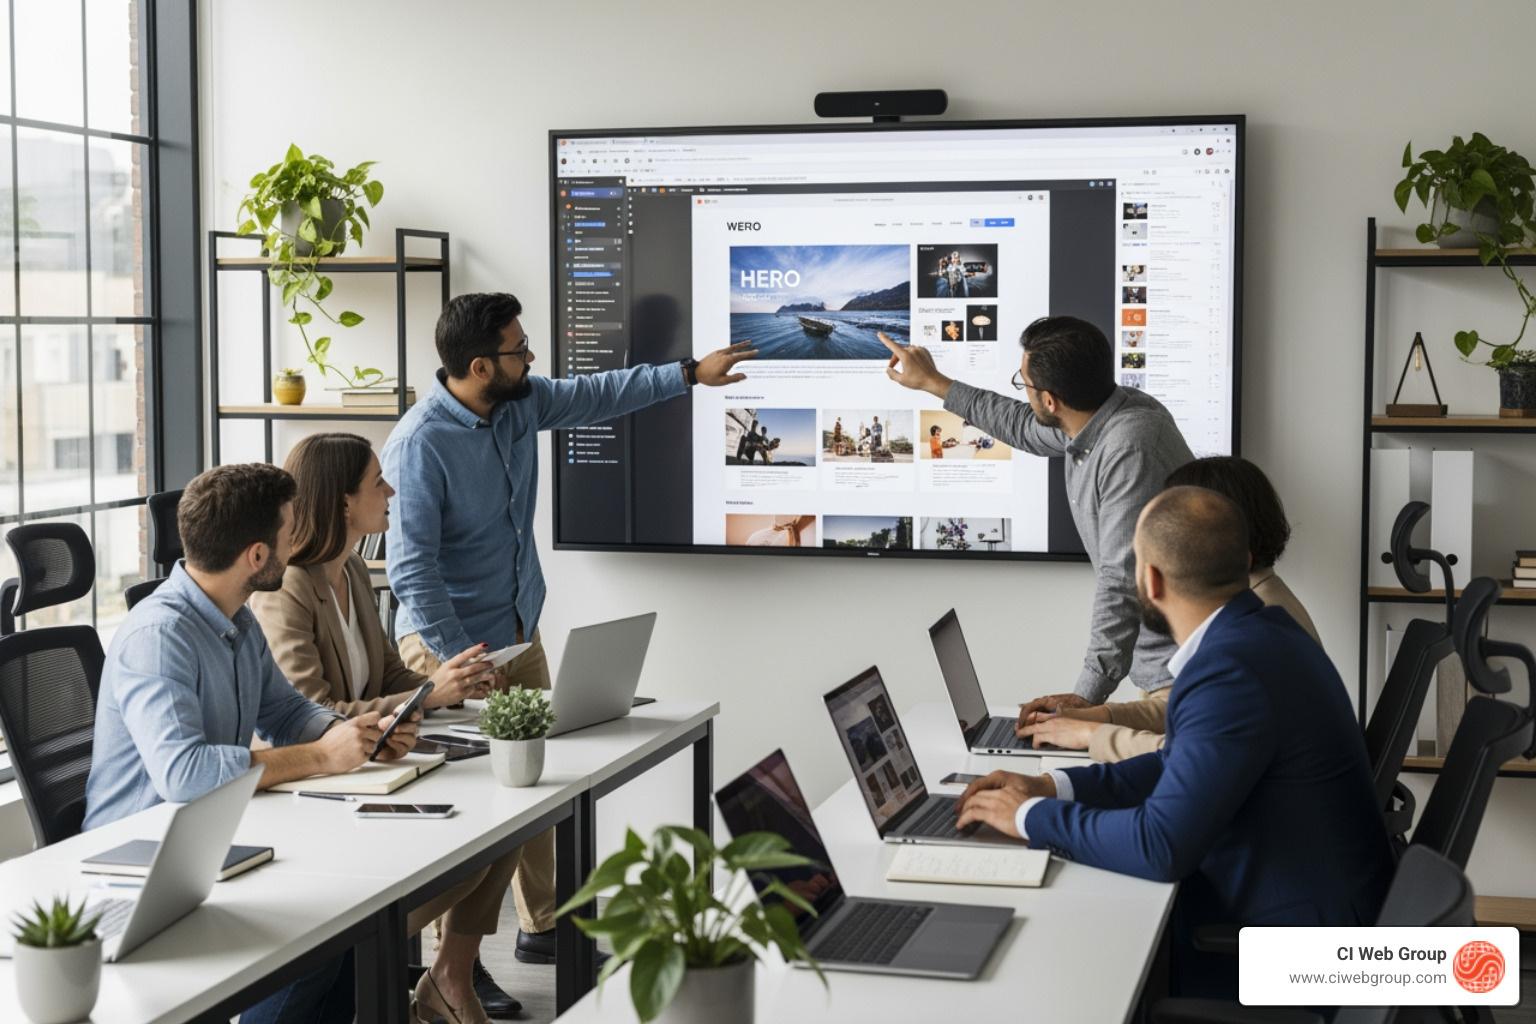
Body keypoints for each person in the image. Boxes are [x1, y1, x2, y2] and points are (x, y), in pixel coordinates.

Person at [382, 292, 754, 968]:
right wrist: (458, 662)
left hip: (518, 627)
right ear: (479, 365)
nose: (530, 357)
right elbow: (412, 572)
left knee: (536, 780)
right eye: (518, 349)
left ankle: (542, 925)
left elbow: (597, 394)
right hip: (447, 643)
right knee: (478, 800)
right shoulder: (418, 445)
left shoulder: (520, 403)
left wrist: (689, 373)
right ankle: (450, 964)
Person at [954, 486, 1395, 999]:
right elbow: (1170, 764)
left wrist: (1027, 818)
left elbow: (1160, 846)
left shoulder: (1231, 669)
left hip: (1314, 957)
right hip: (1322, 914)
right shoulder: (1257, 633)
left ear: (1150, 580)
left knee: (1081, 965)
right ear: (1245, 560)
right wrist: (1052, 787)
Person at [85, 463, 421, 1024]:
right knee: (318, 945)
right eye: (289, 533)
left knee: (351, 929)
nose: (297, 543)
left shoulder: (235, 618)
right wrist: (320, 757)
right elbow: (185, 776)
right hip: (144, 859)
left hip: (212, 837)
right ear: (257, 555)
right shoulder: (160, 636)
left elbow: (284, 709)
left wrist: (350, 737)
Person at [249, 433, 523, 1023]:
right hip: (318, 788)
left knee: (507, 824)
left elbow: (387, 671)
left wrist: (446, 682)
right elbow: (310, 712)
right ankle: (374, 957)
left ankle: (447, 975)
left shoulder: (350, 567)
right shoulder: (288, 587)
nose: (392, 490)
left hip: (375, 763)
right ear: (345, 502)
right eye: (379, 482)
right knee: (472, 846)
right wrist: (428, 694)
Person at [880, 316, 1193, 724]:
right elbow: (1021, 426)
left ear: (1050, 400)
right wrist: (933, 381)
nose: (1022, 393)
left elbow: (1121, 582)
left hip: (1180, 672)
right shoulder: (1103, 415)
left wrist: (1082, 701)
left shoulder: (1128, 449)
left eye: (1023, 384)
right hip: (1160, 666)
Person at [1021, 456, 1321, 761]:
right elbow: (1190, 710)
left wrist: (1091, 735)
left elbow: (1194, 754)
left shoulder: (1254, 633)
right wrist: (1096, 716)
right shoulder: (1259, 603)